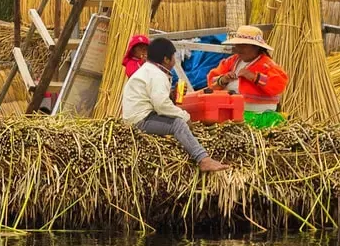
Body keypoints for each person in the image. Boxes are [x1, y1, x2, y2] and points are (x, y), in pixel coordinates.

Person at [123, 36, 228, 173]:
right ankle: (203, 159)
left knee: (178, 117)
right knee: (178, 123)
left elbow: (156, 100)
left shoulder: (151, 70)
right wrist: (184, 116)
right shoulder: (156, 74)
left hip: (143, 115)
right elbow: (161, 105)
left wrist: (172, 95)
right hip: (141, 120)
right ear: (166, 59)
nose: (175, 60)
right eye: (173, 57)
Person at [206, 24, 289, 126]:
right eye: (238, 45)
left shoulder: (267, 65)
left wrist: (254, 77)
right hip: (230, 113)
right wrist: (223, 79)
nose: (239, 49)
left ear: (256, 48)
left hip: (257, 115)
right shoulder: (230, 62)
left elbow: (279, 85)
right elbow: (212, 81)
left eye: (244, 45)